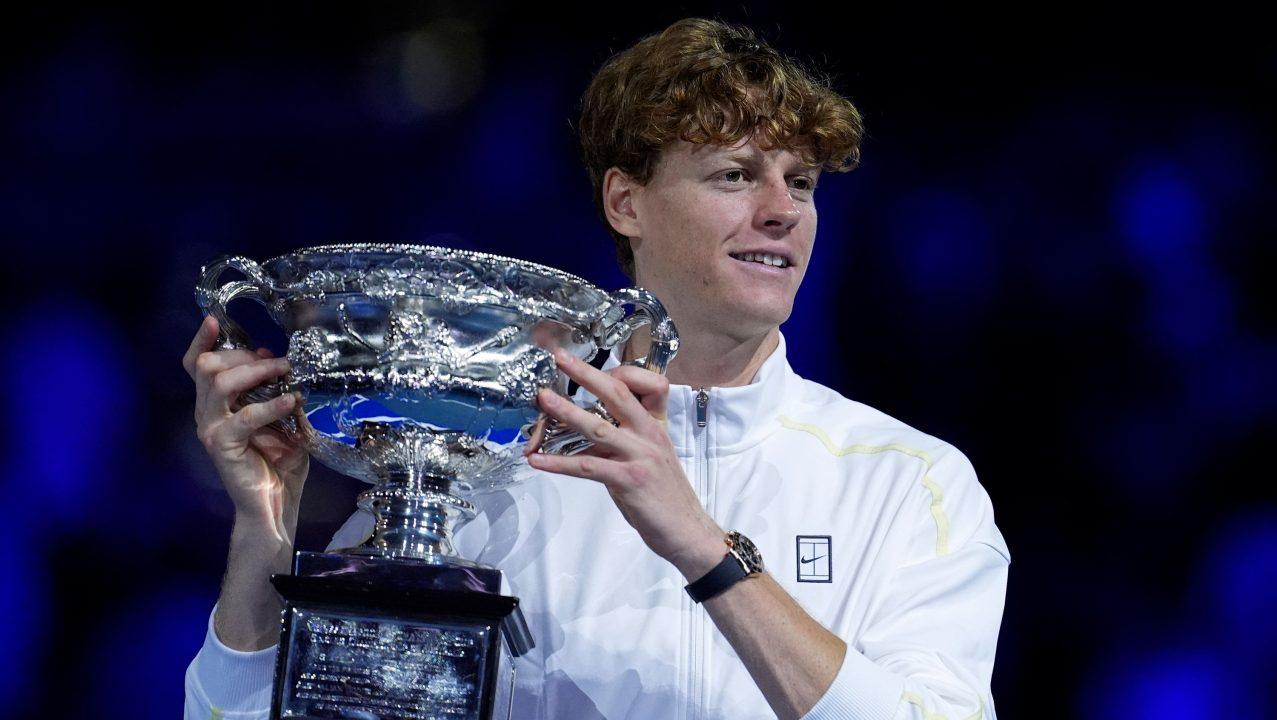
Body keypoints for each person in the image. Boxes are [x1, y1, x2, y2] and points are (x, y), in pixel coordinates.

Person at [183, 17, 1010, 720]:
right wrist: (267, 531)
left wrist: (705, 551)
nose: (782, 210)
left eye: (800, 182)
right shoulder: (489, 466)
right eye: (734, 175)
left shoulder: (911, 486)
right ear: (626, 203)